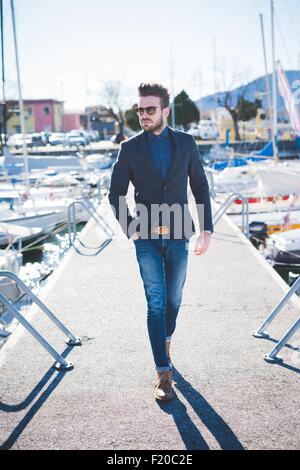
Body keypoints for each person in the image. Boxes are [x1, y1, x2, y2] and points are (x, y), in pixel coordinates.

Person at [108, 82, 213, 401]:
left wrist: (206, 228)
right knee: (155, 302)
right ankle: (163, 373)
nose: (143, 114)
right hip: (146, 236)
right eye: (139, 109)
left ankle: (165, 339)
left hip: (180, 230)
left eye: (149, 109)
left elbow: (200, 185)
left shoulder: (185, 142)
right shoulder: (129, 148)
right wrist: (130, 227)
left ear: (165, 111)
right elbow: (115, 193)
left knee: (174, 299)